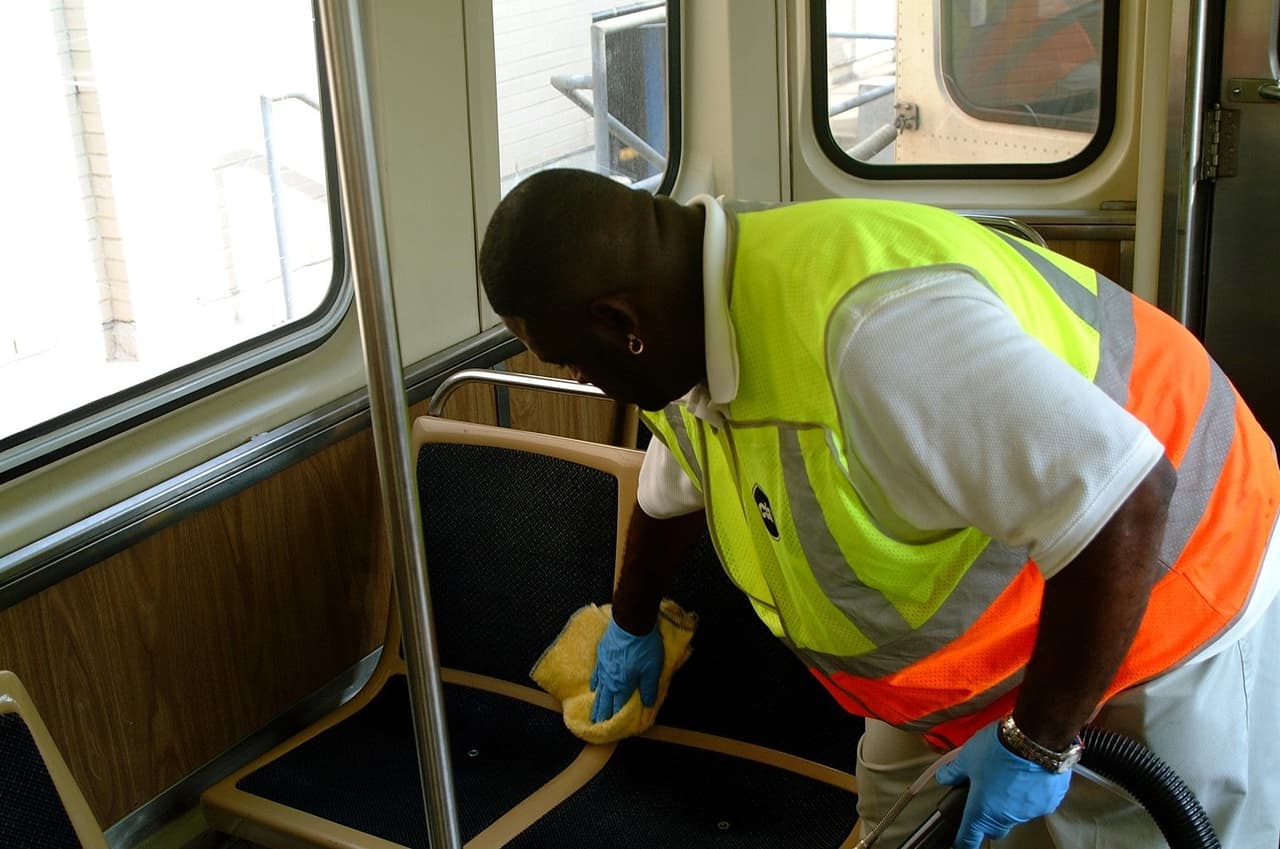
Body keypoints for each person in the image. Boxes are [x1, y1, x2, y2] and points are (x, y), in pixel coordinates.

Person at [477, 168, 1280, 848]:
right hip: (953, 677)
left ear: (621, 322)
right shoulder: (687, 324)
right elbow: (676, 482)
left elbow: (1125, 503)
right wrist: (631, 620)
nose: (582, 380)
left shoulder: (877, 337)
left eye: (576, 360)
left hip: (1165, 602)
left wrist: (1038, 740)